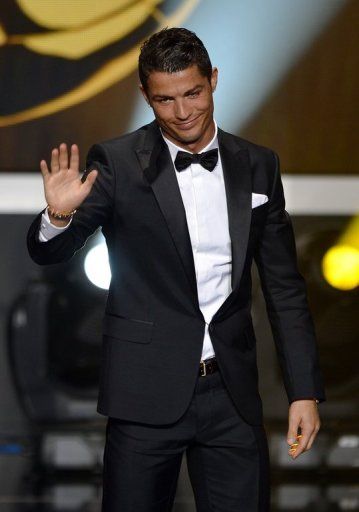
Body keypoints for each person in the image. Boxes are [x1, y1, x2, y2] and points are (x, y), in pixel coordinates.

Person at [27, 27, 326, 512]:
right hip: (144, 393)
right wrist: (59, 216)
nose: (183, 113)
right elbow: (51, 254)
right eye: (165, 100)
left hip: (232, 394)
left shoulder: (258, 165)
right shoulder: (119, 163)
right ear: (145, 95)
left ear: (213, 79)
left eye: (193, 93)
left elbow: (284, 288)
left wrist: (304, 391)